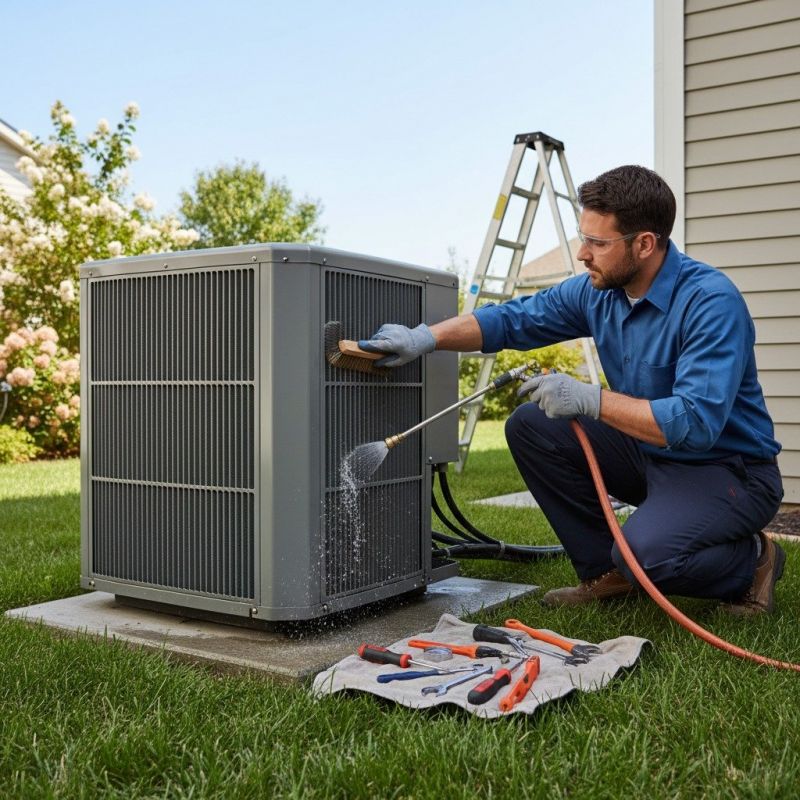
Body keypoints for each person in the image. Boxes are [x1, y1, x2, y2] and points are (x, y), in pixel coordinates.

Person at [359, 165, 785, 616]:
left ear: (644, 244)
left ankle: (752, 561)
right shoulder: (598, 293)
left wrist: (591, 398)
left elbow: (695, 424)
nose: (583, 253)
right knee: (532, 426)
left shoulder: (709, 301)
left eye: (598, 243)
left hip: (725, 469)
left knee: (645, 556)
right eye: (584, 238)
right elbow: (513, 319)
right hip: (650, 454)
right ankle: (608, 574)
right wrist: (425, 338)